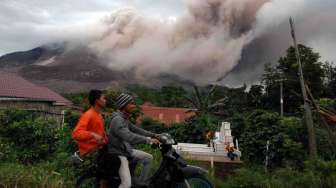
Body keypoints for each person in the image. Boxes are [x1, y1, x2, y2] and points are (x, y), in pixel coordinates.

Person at [108, 93, 160, 188]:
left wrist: (154, 135)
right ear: (124, 105)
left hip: (125, 150)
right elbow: (129, 136)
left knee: (148, 158)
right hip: (118, 153)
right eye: (131, 103)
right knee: (126, 184)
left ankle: (141, 184)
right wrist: (148, 140)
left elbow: (136, 129)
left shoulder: (124, 118)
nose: (134, 106)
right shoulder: (117, 120)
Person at [72, 89, 109, 188]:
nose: (106, 100)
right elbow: (76, 133)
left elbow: (100, 133)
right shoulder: (88, 115)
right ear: (97, 101)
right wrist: (92, 135)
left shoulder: (99, 115)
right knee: (113, 165)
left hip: (100, 148)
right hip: (91, 151)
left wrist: (106, 137)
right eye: (103, 98)